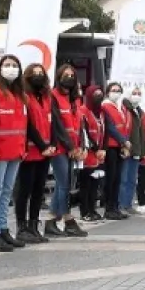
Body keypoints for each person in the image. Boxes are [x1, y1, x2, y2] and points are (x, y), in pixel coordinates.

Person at [0, 55, 29, 253]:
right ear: (0, 69)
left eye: (14, 65)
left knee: (6, 192)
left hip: (15, 151)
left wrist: (23, 148)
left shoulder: (20, 94)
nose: (11, 69)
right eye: (7, 65)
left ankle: (2, 229)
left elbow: (23, 124)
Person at [14, 63, 54, 244]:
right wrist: (42, 145)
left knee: (39, 191)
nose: (38, 76)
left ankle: (33, 226)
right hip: (31, 150)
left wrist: (51, 144)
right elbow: (28, 124)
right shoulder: (25, 97)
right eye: (34, 73)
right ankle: (21, 227)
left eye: (41, 73)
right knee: (24, 190)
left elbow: (51, 122)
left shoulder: (46, 97)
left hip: (45, 152)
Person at [44, 64, 86, 238]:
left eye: (72, 75)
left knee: (66, 184)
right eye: (65, 75)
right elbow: (57, 125)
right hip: (60, 147)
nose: (69, 78)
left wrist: (81, 147)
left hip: (73, 147)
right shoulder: (53, 96)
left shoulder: (75, 99)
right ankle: (68, 220)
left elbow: (80, 125)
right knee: (64, 184)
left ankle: (51, 220)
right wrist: (70, 147)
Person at [99, 82, 132, 221]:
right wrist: (123, 141)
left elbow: (124, 126)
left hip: (120, 145)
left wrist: (124, 142)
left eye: (118, 90)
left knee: (117, 178)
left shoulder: (119, 107)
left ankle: (115, 206)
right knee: (111, 178)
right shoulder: (105, 106)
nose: (116, 92)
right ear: (108, 92)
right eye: (113, 90)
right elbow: (110, 127)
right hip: (111, 145)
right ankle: (109, 208)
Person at [77, 86, 106, 222]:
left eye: (100, 93)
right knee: (86, 184)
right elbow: (85, 133)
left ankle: (93, 209)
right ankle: (85, 211)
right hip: (88, 153)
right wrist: (96, 149)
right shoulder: (83, 111)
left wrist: (103, 149)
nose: (98, 96)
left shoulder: (100, 113)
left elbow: (104, 132)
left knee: (95, 183)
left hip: (99, 154)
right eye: (95, 94)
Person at [120, 88, 145, 213]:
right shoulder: (124, 109)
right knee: (123, 179)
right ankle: (121, 205)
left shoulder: (139, 111)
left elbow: (141, 134)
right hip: (126, 149)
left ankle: (128, 204)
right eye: (134, 94)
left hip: (136, 149)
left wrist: (142, 151)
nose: (137, 96)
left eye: (139, 94)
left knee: (131, 179)